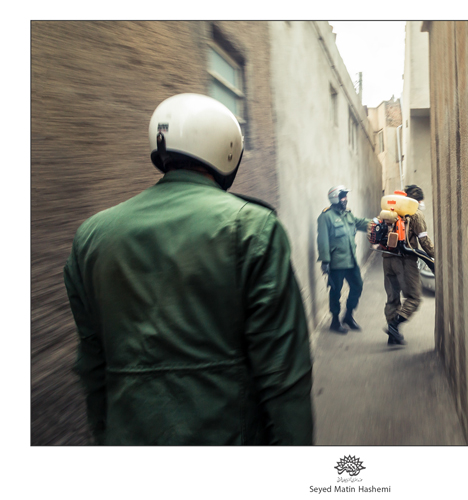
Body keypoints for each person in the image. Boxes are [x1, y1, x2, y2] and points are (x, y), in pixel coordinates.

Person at [63, 93, 313, 445]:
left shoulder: (91, 235)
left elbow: (91, 364)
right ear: (228, 150)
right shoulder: (252, 228)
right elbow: (283, 371)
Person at [383, 185, 435, 346]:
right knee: (414, 298)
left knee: (392, 299)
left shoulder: (390, 212)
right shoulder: (415, 214)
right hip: (404, 261)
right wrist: (436, 256)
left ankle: (392, 337)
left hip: (387, 260)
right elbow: (424, 241)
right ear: (417, 201)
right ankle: (394, 326)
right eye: (421, 200)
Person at [317, 186, 372, 334]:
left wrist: (377, 222)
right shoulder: (326, 217)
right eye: (342, 197)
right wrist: (325, 261)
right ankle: (335, 321)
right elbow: (322, 240)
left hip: (351, 261)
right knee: (336, 292)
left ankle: (348, 316)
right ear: (335, 198)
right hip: (336, 263)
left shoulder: (348, 215)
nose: (345, 199)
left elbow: (360, 223)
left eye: (346, 196)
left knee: (357, 286)